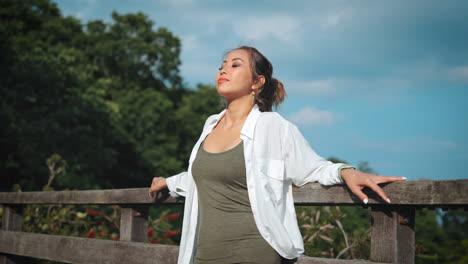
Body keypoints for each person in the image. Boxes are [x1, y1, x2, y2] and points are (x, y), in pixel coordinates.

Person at [148, 46, 406, 264]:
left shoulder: (273, 127)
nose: (223, 70)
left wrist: (346, 171)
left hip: (254, 251)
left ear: (257, 82)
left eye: (235, 65)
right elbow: (203, 176)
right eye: (221, 66)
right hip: (203, 254)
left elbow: (312, 167)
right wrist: (169, 182)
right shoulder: (210, 125)